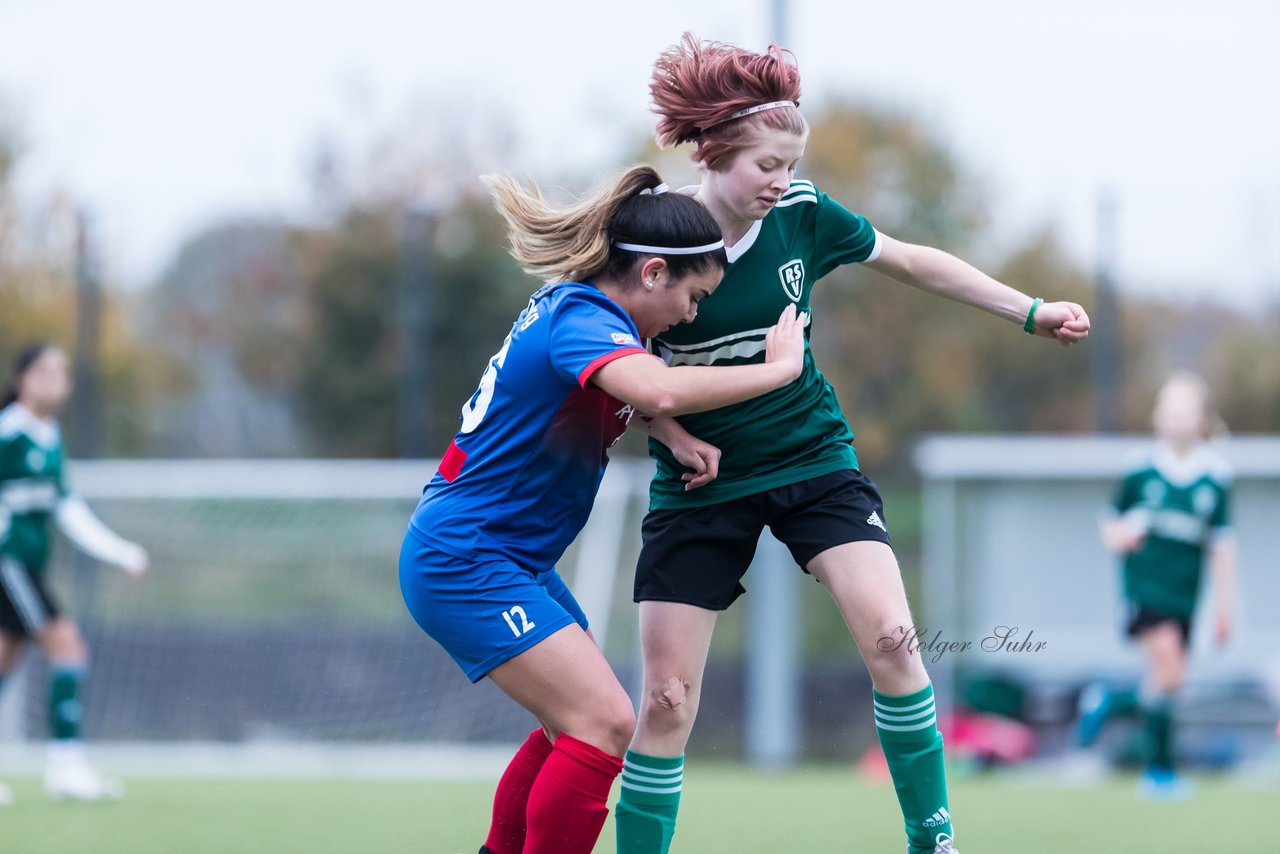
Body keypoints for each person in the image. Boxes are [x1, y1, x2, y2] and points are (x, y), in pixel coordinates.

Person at [613, 34, 1091, 854]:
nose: (781, 180)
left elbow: (911, 262)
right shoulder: (650, 244)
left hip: (812, 460)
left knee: (892, 643)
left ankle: (932, 840)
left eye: (791, 163)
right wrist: (672, 430)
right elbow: (609, 368)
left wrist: (1029, 309)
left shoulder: (801, 214)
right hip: (699, 486)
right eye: (766, 164)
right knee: (665, 701)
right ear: (716, 151)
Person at [397, 164, 807, 854]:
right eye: (693, 296)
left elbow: (606, 395)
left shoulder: (578, 312)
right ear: (652, 274)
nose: (691, 315)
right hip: (466, 558)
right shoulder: (583, 318)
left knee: (575, 726)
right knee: (605, 722)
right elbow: (661, 387)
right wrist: (781, 370)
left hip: (503, 558)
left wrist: (667, 432)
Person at [0, 343, 148, 804]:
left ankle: (67, 766)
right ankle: (66, 767)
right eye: (44, 372)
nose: (55, 382)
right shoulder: (7, 433)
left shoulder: (50, 436)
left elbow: (67, 509)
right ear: (22, 378)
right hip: (8, 563)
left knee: (5, 661)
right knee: (67, 644)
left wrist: (118, 551)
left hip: (28, 566)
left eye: (62, 373)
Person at [1078, 371, 1234, 798]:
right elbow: (1109, 523)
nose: (1179, 422)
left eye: (1187, 414)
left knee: (1168, 681)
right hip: (1145, 588)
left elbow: (1222, 547)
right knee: (1168, 671)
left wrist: (1225, 607)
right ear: (1158, 419)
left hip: (1187, 595)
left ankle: (1111, 705)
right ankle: (1159, 770)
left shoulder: (1215, 477)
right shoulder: (1139, 470)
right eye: (1171, 413)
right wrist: (1118, 536)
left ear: (1201, 420)